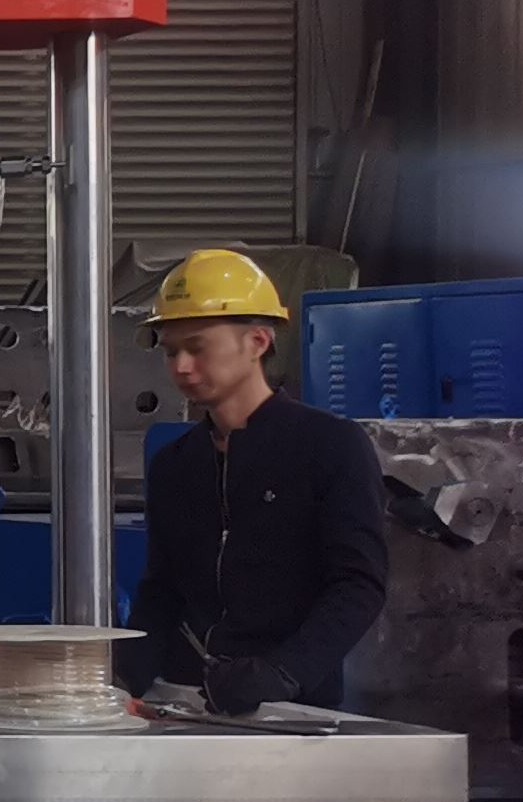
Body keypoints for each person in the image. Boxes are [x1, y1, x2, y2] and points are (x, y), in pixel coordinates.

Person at [122, 249, 387, 716]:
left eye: (197, 347)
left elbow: (357, 585)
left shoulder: (329, 446)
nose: (181, 366)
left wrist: (283, 672)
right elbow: (160, 591)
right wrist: (123, 681)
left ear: (258, 341)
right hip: (186, 701)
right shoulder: (174, 465)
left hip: (295, 709)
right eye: (170, 351)